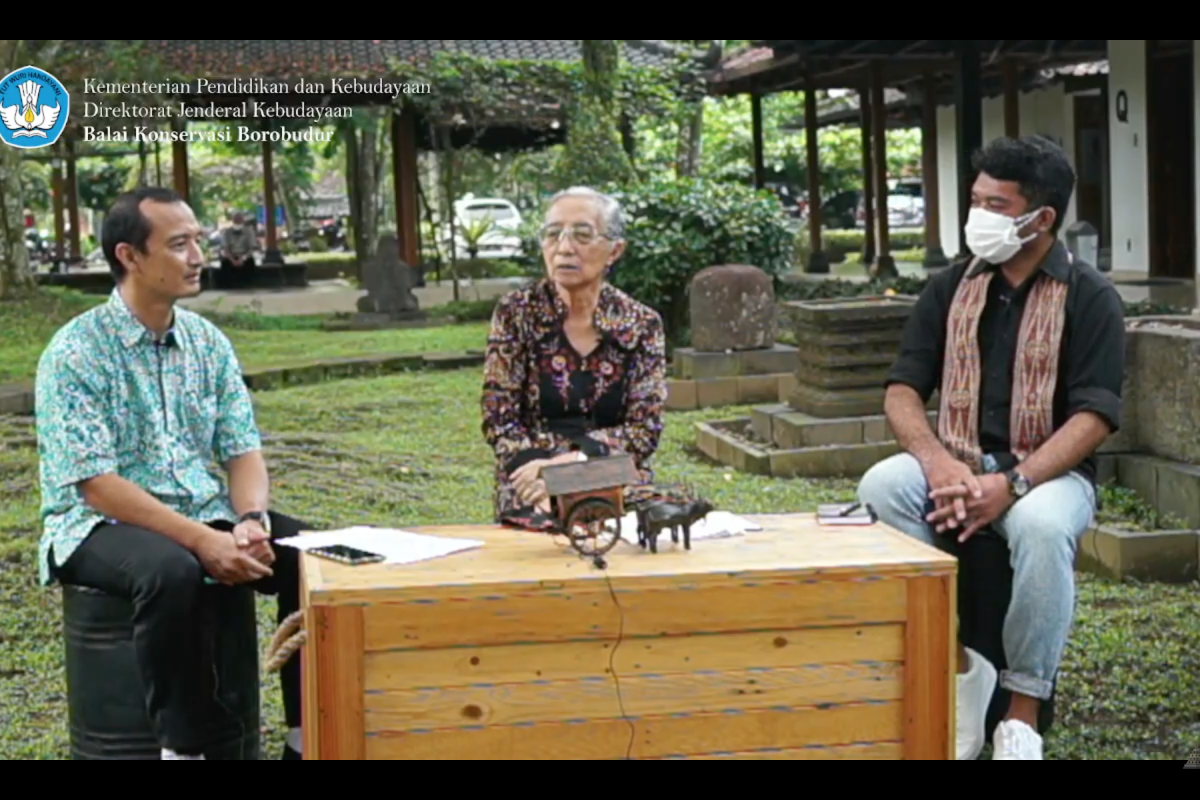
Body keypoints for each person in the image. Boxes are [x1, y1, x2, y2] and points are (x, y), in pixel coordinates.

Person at [856, 136, 1125, 761]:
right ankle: (955, 666)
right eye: (975, 199)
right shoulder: (952, 287)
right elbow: (902, 389)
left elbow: (1095, 416)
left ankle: (1021, 714)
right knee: (881, 487)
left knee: (1037, 526)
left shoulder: (1090, 297)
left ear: (1041, 219)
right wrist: (938, 462)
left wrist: (1014, 483)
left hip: (1049, 476)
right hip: (957, 462)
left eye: (996, 204)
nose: (978, 215)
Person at [34, 186, 307, 760]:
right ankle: (181, 749)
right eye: (179, 244)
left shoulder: (207, 343)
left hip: (200, 510)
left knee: (308, 556)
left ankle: (305, 735)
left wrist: (251, 518)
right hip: (94, 525)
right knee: (173, 571)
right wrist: (205, 540)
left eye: (197, 241)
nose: (197, 257)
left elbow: (241, 451)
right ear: (129, 256)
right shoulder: (76, 351)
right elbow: (96, 485)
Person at [481, 186, 668, 529]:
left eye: (582, 235)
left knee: (638, 535)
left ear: (614, 250)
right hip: (530, 472)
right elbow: (499, 415)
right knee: (539, 538)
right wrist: (542, 481)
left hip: (609, 471)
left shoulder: (641, 323)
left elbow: (645, 428)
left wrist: (572, 464)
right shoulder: (516, 313)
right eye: (553, 235)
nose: (564, 248)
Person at [217, 211, 257, 289]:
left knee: (250, 263)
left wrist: (243, 258)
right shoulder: (227, 232)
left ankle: (248, 285)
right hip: (232, 256)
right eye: (236, 220)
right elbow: (225, 248)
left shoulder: (249, 231)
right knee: (225, 264)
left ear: (243, 221)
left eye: (239, 220)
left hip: (245, 256)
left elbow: (251, 248)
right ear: (232, 221)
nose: (237, 222)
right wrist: (232, 259)